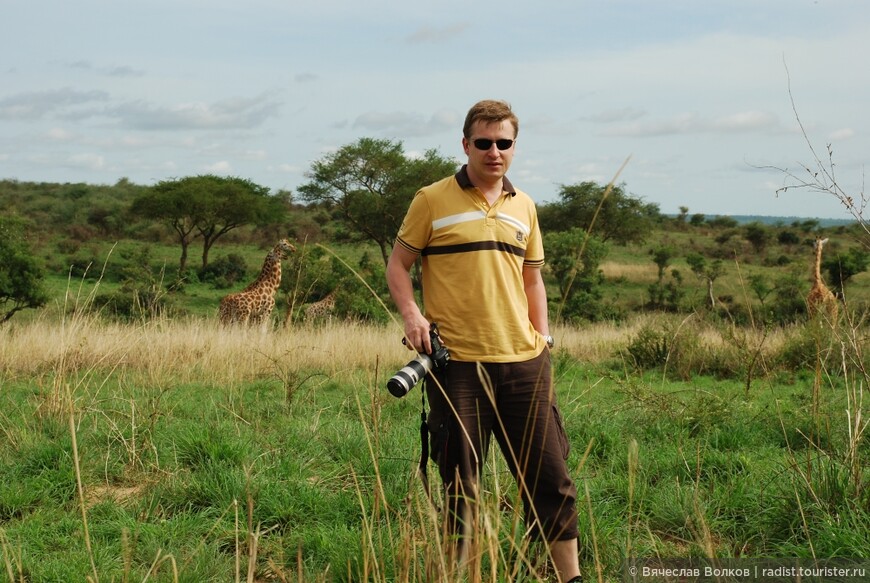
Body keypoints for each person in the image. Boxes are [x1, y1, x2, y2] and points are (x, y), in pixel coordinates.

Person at [386, 99, 582, 582]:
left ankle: (571, 578)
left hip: (525, 364)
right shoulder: (431, 199)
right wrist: (412, 316)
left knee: (551, 480)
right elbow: (398, 265)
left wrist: (543, 336)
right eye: (484, 143)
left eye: (504, 143)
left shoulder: (526, 207)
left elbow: (532, 279)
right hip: (457, 368)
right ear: (466, 144)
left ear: (514, 147)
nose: (494, 152)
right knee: (461, 483)